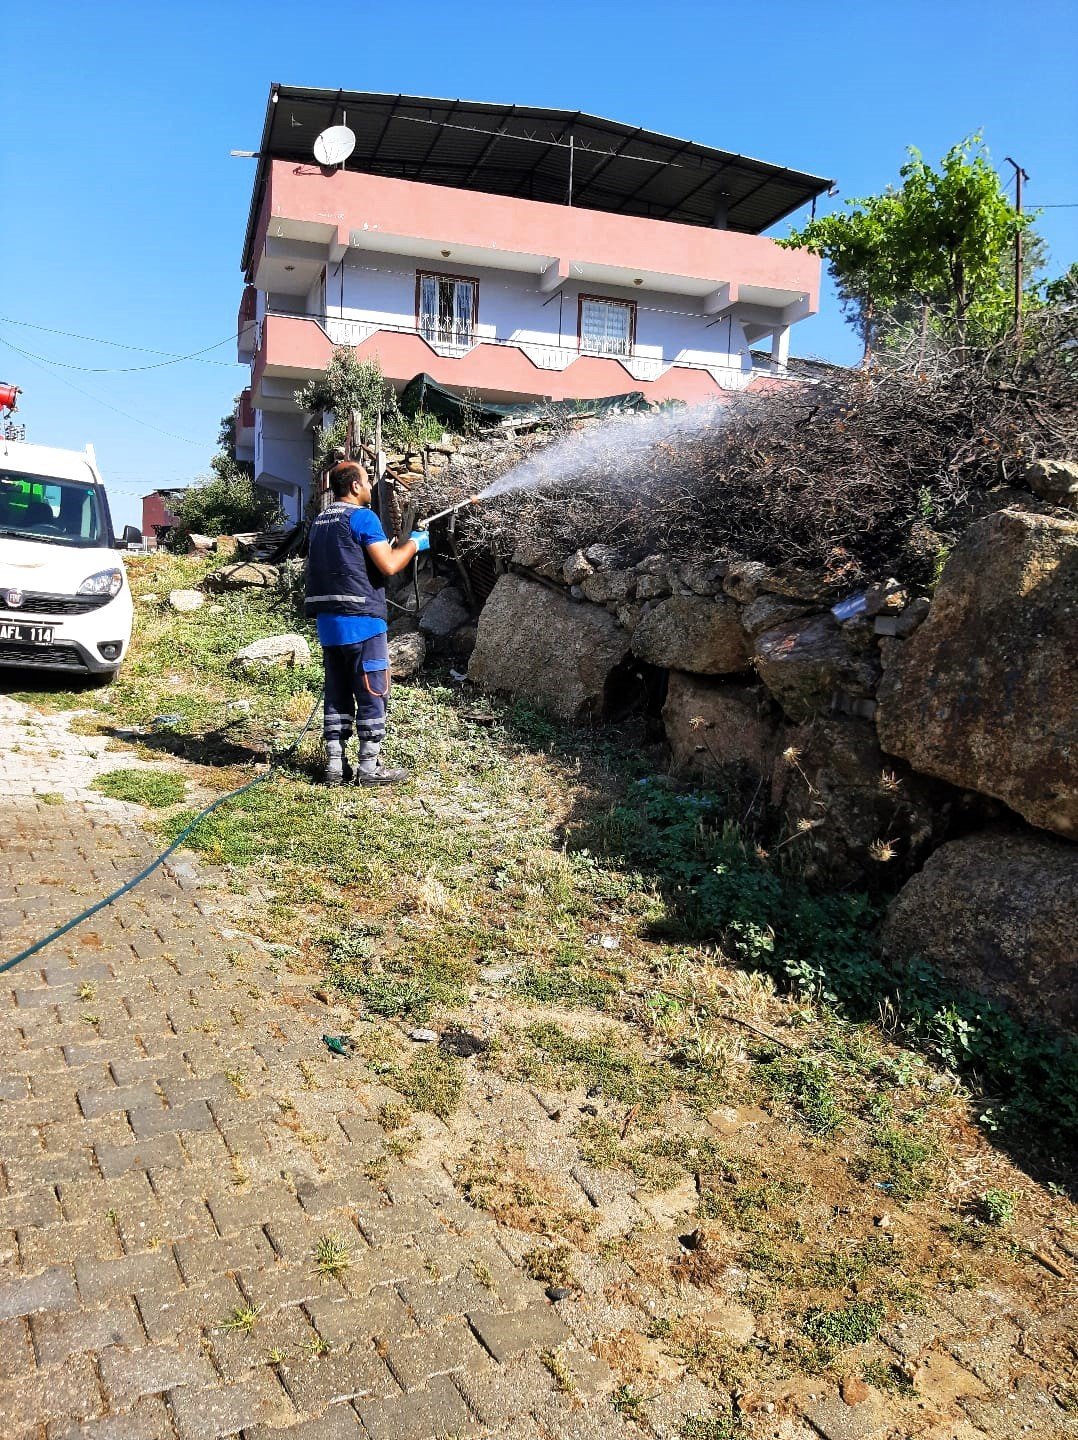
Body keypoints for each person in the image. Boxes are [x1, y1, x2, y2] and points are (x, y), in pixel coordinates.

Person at [304, 460, 430, 785]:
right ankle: (369, 768)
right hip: (362, 622)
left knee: (337, 690)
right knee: (373, 690)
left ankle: (334, 765)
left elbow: (346, 559)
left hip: (329, 626)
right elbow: (389, 566)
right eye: (368, 481)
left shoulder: (320, 520)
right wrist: (415, 543)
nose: (371, 487)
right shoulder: (363, 517)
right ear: (356, 486)